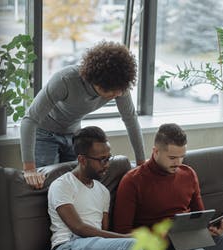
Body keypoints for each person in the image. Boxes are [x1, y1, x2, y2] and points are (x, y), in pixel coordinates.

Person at [48, 126, 176, 250]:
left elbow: (103, 236)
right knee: (132, 246)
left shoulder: (103, 192)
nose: (107, 164)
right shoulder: (62, 185)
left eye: (109, 158)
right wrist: (128, 239)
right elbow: (79, 228)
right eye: (102, 160)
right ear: (82, 159)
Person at [21, 41, 145, 189]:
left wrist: (141, 164)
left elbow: (131, 120)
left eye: (119, 90)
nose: (117, 95)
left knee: (77, 186)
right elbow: (29, 120)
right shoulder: (65, 80)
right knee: (47, 185)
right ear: (95, 81)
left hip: (73, 134)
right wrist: (29, 169)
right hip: (44, 133)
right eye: (110, 91)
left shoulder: (118, 86)